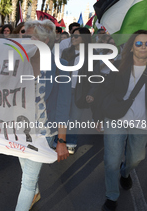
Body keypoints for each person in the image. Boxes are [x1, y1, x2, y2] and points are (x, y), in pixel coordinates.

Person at [15, 20, 70, 211]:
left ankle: (31, 194)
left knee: (27, 181)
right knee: (26, 171)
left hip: (43, 133)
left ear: (45, 41)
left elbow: (63, 106)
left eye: (30, 36)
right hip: (18, 129)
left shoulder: (61, 66)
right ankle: (36, 192)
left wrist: (61, 141)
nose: (24, 39)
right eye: (23, 35)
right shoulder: (17, 61)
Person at [93, 30, 147, 211]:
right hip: (115, 118)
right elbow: (104, 92)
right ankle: (112, 196)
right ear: (131, 47)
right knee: (111, 159)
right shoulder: (118, 66)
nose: (143, 47)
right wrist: (99, 117)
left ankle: (125, 172)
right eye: (139, 43)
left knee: (136, 158)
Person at [61, 27, 101, 154]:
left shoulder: (92, 55)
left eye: (76, 36)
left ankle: (71, 142)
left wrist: (91, 93)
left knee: (75, 118)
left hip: (81, 92)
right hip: (64, 90)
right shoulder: (67, 52)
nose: (73, 38)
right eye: (72, 36)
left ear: (84, 38)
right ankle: (59, 141)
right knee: (62, 116)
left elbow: (95, 77)